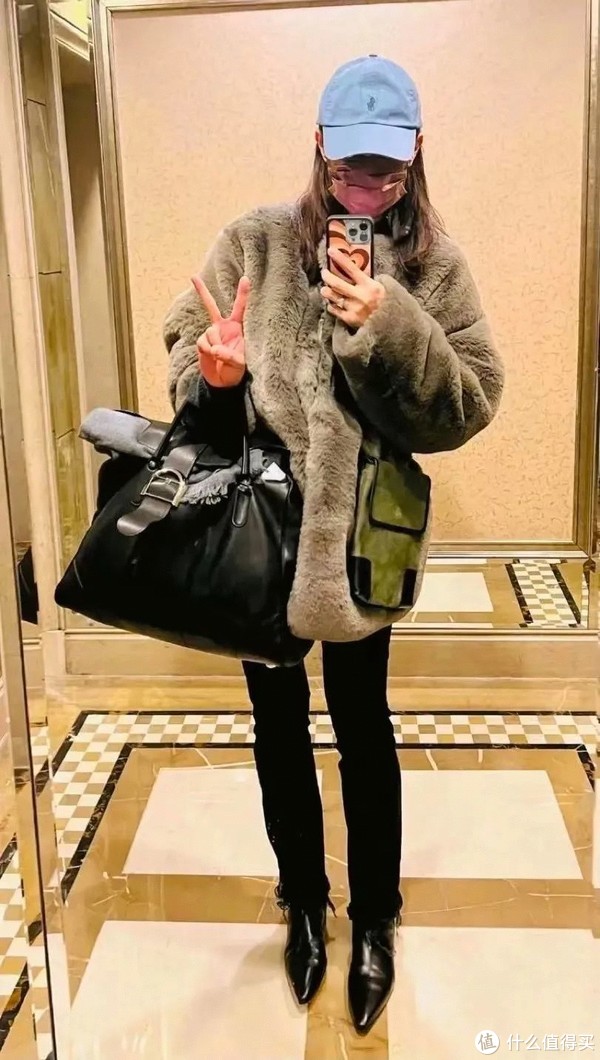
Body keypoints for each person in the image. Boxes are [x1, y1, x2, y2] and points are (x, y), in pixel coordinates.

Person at [164, 55, 504, 1034]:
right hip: (262, 525)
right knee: (277, 725)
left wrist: (390, 325)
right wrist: (216, 377)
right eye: (350, 166)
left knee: (364, 725)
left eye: (385, 170)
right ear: (317, 147)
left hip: (369, 529)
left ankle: (377, 918)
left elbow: (469, 402)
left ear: (417, 154)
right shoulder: (258, 241)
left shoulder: (435, 266)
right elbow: (189, 352)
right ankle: (305, 903)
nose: (365, 188)